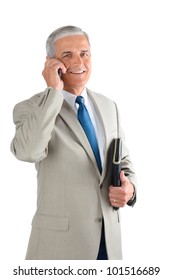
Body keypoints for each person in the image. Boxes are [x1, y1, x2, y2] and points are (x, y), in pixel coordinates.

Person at [10, 25, 137, 260]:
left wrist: (129, 188)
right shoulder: (30, 108)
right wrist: (53, 92)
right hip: (59, 249)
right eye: (67, 55)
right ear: (51, 63)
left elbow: (123, 159)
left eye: (84, 53)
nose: (79, 61)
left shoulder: (109, 106)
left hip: (109, 244)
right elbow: (28, 151)